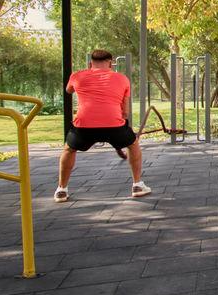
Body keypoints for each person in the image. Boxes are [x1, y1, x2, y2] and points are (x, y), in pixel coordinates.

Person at [56, 49, 149, 201]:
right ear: (110, 63)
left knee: (69, 149)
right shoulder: (122, 79)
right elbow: (125, 111)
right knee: (133, 144)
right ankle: (137, 185)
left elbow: (69, 90)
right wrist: (122, 121)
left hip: (83, 126)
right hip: (114, 125)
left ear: (90, 63)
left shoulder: (77, 76)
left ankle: (61, 190)